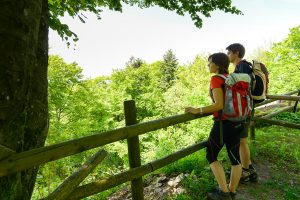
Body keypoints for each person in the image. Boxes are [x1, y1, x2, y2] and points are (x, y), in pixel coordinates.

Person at [185, 53, 242, 200]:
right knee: (235, 158)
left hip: (223, 125)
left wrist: (198, 110)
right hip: (238, 122)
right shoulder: (232, 78)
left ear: (217, 64)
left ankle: (223, 192)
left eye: (209, 62)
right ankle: (232, 191)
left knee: (211, 155)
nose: (208, 65)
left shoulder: (216, 79)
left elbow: (219, 104)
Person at [226, 43, 258, 183]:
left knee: (242, 142)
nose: (228, 55)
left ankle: (246, 171)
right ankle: (249, 168)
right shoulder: (240, 67)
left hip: (244, 110)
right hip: (244, 109)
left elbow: (245, 88)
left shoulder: (243, 66)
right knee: (242, 141)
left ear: (236, 53)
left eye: (229, 53)